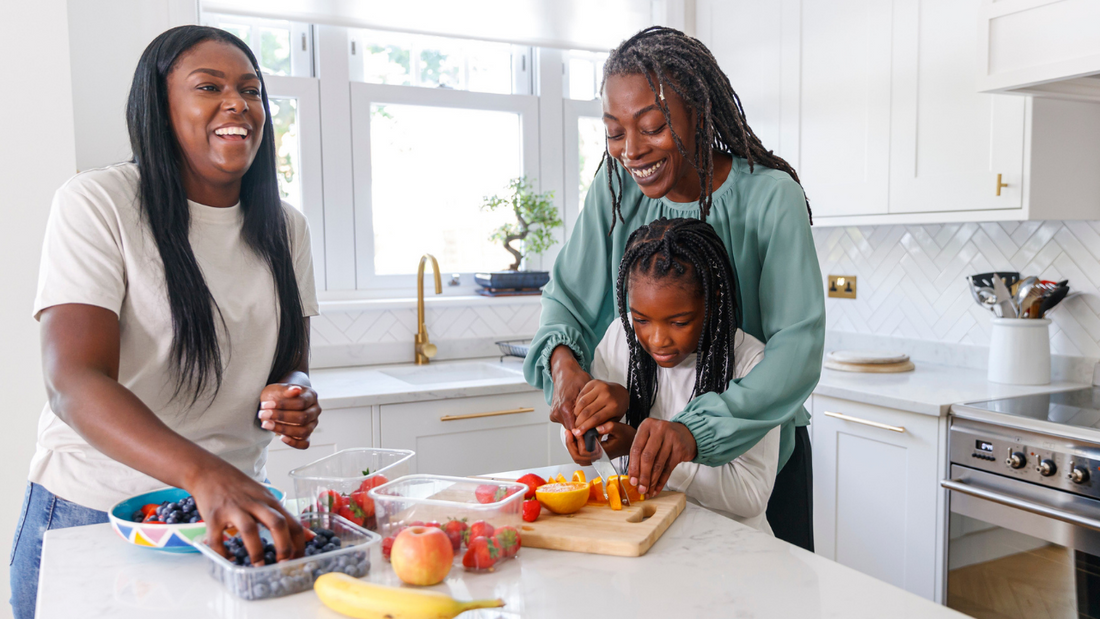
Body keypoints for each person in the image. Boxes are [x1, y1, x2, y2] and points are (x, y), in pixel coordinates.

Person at [10, 26, 320, 618]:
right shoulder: (97, 203)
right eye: (210, 86)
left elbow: (293, 365)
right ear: (160, 105)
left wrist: (297, 396)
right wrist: (205, 475)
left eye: (251, 91)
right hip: (96, 512)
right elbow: (73, 381)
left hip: (230, 515)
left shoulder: (286, 226)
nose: (238, 103)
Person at [524, 26, 824, 550]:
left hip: (754, 455)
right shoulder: (616, 187)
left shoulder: (770, 198)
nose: (632, 151)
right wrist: (566, 371)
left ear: (699, 116)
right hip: (648, 459)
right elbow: (566, 299)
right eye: (615, 133)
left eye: (653, 127)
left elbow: (796, 351)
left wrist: (694, 433)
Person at [563, 218, 779, 532]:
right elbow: (599, 451)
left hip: (729, 551)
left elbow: (750, 494)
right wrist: (582, 435)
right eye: (641, 319)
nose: (657, 339)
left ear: (713, 298)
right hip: (644, 538)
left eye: (678, 322)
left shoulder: (751, 363)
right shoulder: (621, 339)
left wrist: (646, 448)